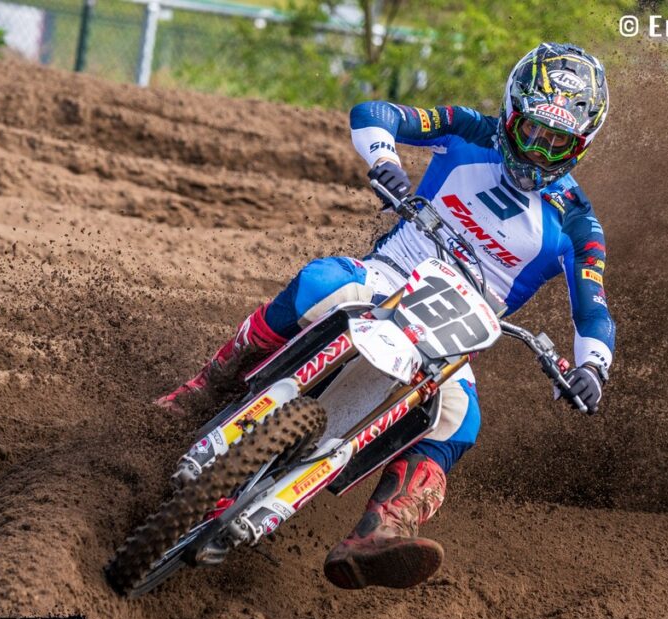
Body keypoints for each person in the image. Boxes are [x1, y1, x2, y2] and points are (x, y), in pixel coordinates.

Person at [154, 43, 616, 590]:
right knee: (321, 283)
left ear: (579, 146)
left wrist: (592, 369)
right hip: (389, 275)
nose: (538, 151)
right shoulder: (471, 130)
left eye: (556, 141)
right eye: (532, 131)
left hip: (455, 335)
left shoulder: (578, 222)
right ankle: (206, 387)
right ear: (512, 115)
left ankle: (382, 531)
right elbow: (376, 113)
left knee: (462, 420)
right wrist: (385, 162)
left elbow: (593, 311)